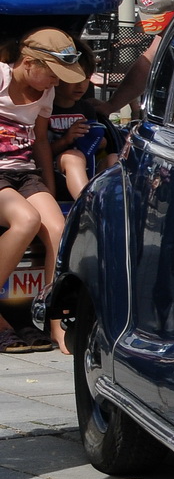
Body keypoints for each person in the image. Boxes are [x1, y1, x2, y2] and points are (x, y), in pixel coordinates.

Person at [0, 29, 89, 352]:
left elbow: (39, 140)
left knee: (58, 228)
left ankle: (54, 320)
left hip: (25, 174)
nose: (56, 82)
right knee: (26, 220)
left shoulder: (45, 92)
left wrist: (48, 189)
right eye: (52, 74)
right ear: (27, 63)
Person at [48, 48, 119, 201]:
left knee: (114, 159)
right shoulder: (46, 108)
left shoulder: (86, 109)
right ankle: (86, 206)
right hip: (56, 168)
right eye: (74, 78)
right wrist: (66, 140)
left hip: (88, 166)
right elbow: (39, 151)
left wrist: (99, 142)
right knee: (74, 157)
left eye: (86, 78)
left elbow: (97, 151)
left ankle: (112, 206)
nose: (80, 84)